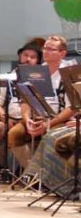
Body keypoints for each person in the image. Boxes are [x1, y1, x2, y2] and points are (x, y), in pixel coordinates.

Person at [11, 34, 76, 170]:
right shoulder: (35, 71)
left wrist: (48, 124)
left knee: (51, 136)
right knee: (14, 134)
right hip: (36, 118)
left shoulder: (69, 72)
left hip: (59, 120)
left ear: (62, 54)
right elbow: (25, 100)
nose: (46, 51)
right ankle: (32, 172)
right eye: (45, 48)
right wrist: (27, 120)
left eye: (51, 49)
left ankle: (45, 175)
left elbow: (72, 108)